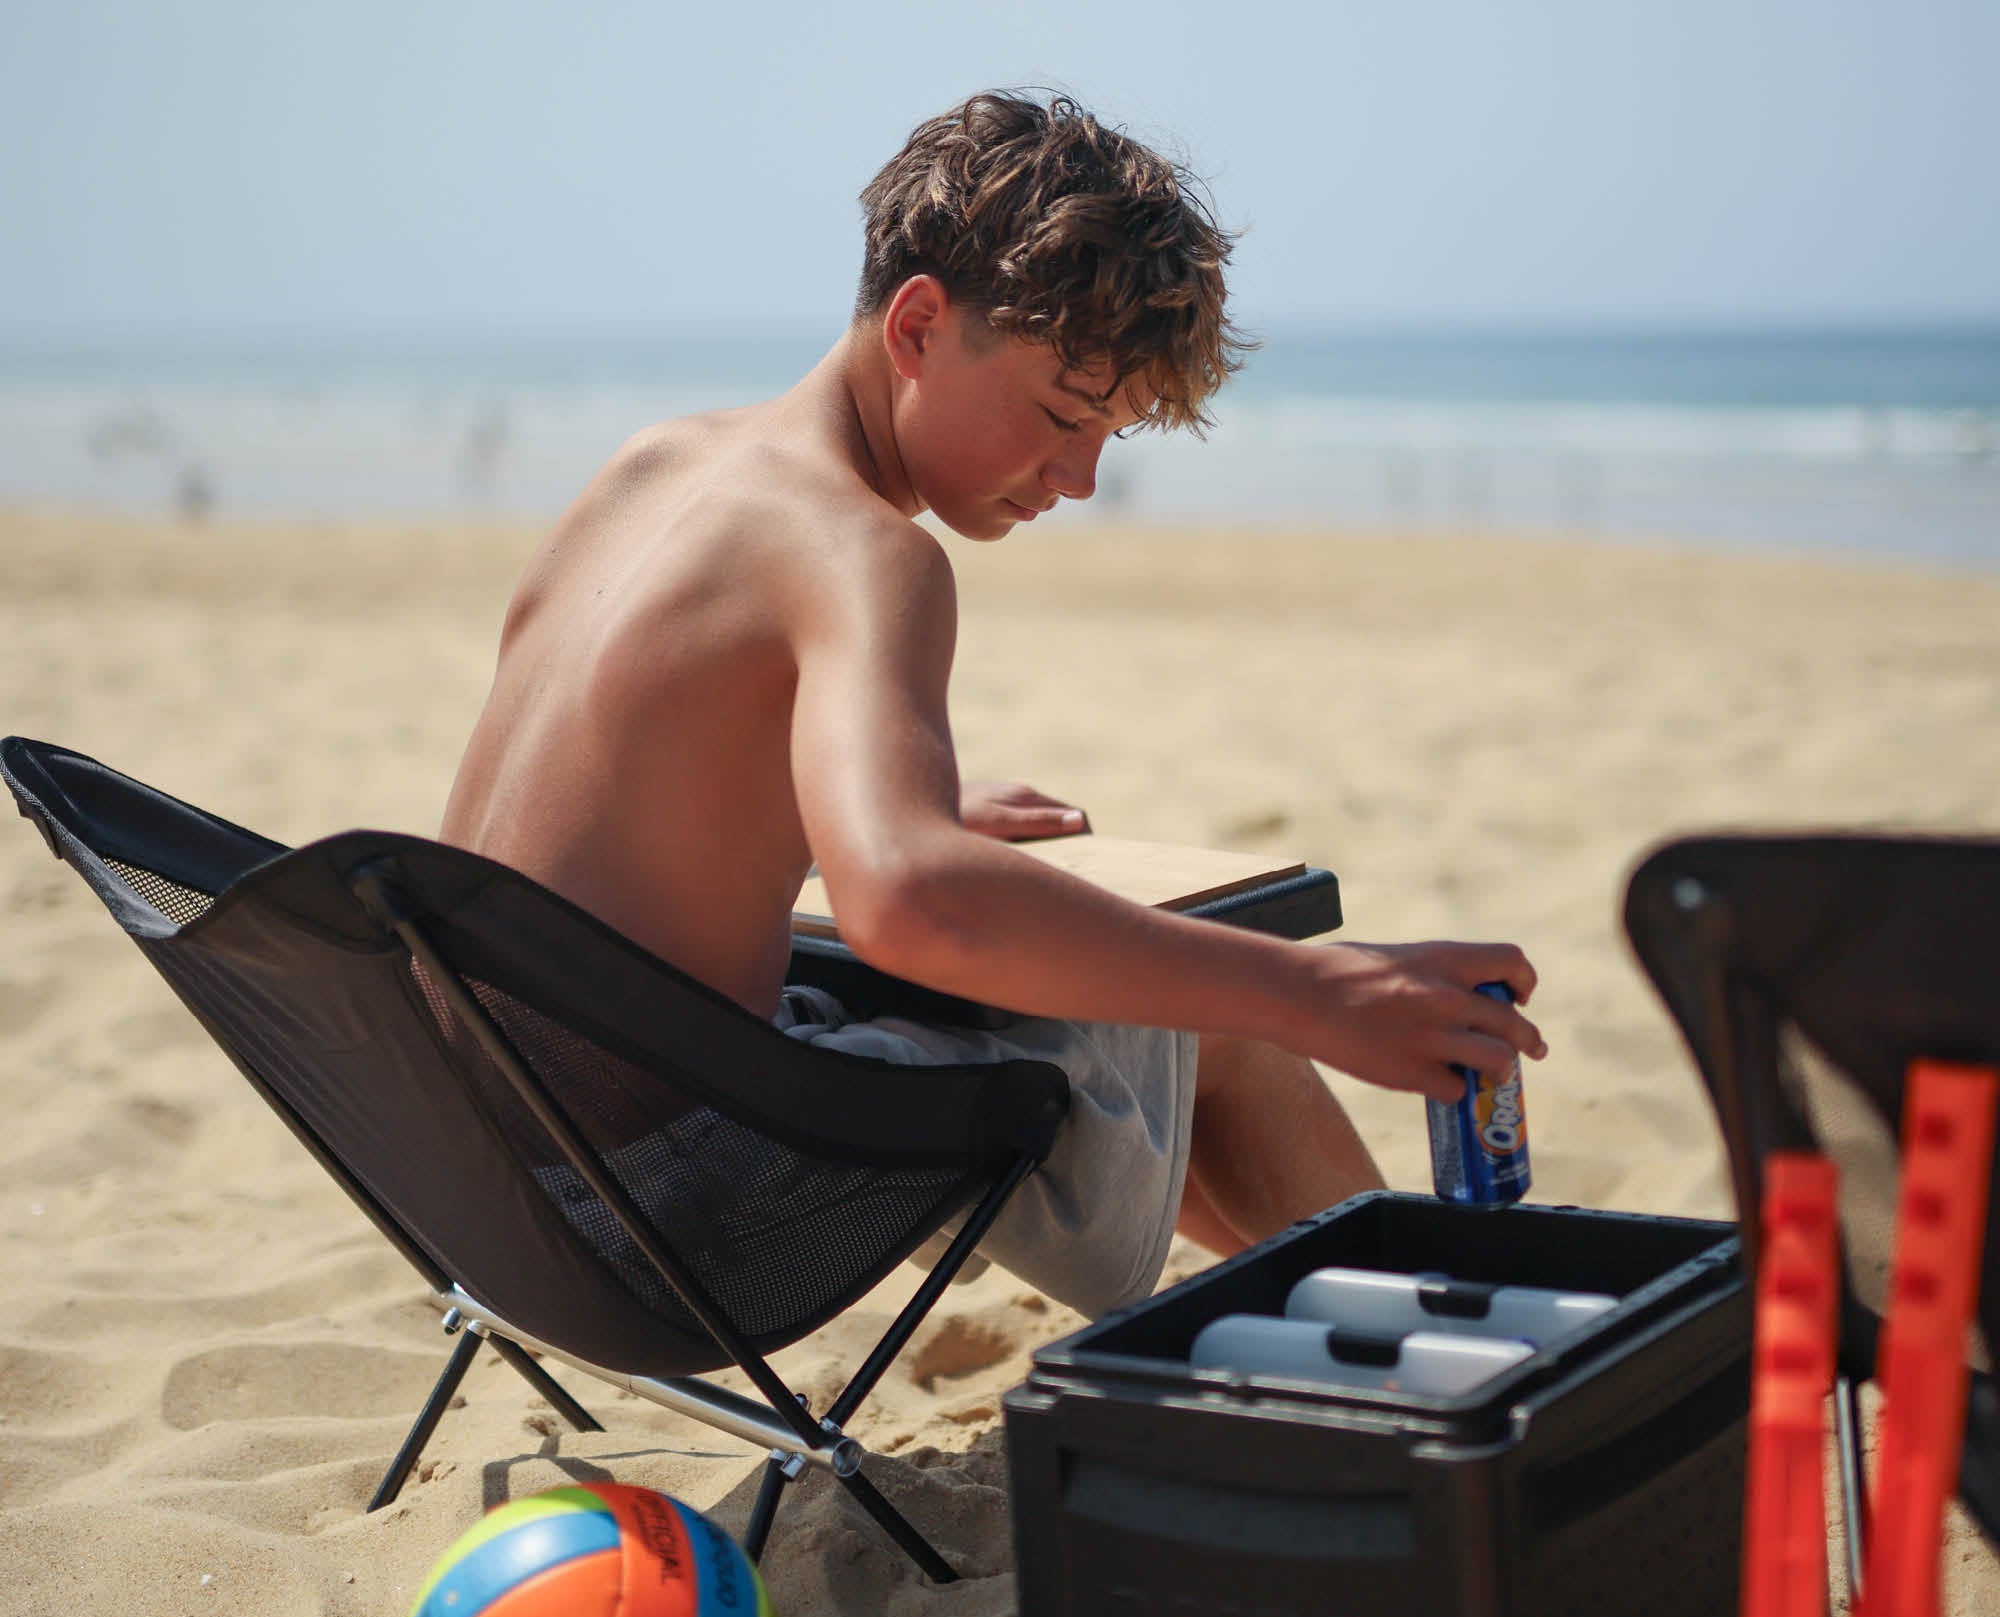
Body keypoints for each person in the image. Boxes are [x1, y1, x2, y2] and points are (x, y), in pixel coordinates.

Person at [441, 89, 1544, 1320]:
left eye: (1108, 435)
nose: (1078, 477)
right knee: (1216, 1026)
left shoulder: (649, 469)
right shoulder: (866, 551)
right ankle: (1453, 1347)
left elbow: (632, 766)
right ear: (917, 326)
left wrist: (850, 789)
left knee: (1121, 1011)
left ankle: (1368, 1324)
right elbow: (906, 900)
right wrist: (1319, 993)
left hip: (469, 1180)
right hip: (660, 1213)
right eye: (1063, 415)